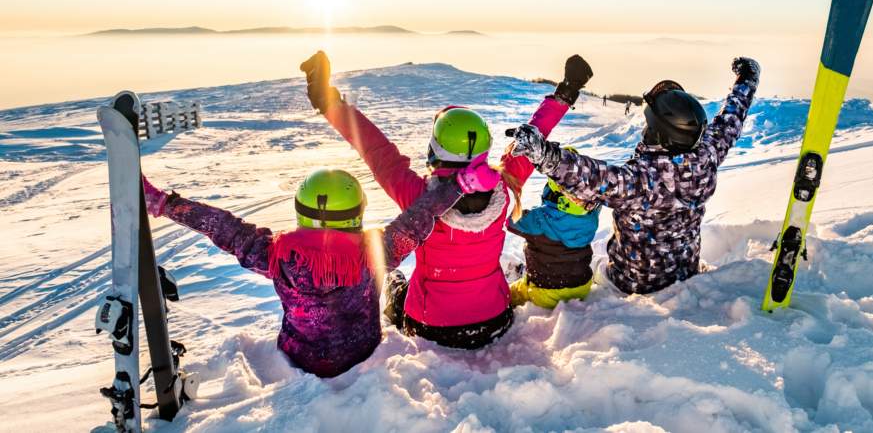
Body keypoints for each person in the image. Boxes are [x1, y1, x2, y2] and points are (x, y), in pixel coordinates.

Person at [300, 51, 593, 349]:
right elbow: (533, 138)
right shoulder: (505, 187)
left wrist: (328, 102)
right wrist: (566, 91)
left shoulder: (418, 197)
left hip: (431, 326)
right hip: (495, 319)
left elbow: (376, 149)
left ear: (435, 149)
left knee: (396, 288)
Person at [140, 160, 500, 378]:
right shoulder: (374, 253)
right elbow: (419, 218)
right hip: (362, 352)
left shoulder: (276, 254)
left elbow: (223, 227)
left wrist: (165, 204)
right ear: (357, 212)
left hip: (301, 357)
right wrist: (460, 185)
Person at [508, 57, 759, 295]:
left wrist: (544, 154)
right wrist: (746, 80)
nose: (645, 129)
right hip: (686, 271)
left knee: (592, 272)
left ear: (659, 134)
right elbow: (730, 121)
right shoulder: (707, 156)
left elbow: (591, 177)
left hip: (632, 283)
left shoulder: (641, 180)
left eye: (649, 125)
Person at [506, 147, 602, 309]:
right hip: (582, 286)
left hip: (546, 292)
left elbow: (508, 219)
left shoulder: (539, 220)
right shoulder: (590, 216)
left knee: (509, 294)